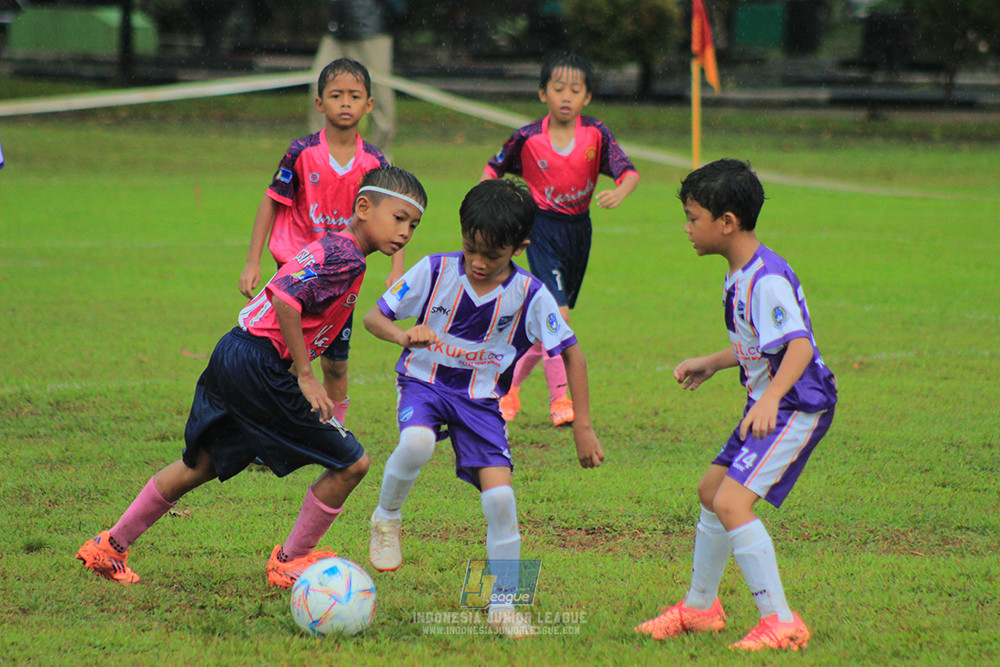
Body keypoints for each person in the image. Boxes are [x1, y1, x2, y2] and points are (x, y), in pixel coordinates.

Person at [76, 167, 427, 589]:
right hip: (262, 364)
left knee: (201, 463)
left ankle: (109, 545)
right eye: (399, 217)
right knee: (353, 464)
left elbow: (305, 312)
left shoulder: (338, 250)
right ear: (364, 207)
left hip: (234, 351)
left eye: (414, 224)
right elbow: (286, 299)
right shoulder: (345, 257)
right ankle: (289, 560)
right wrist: (304, 374)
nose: (405, 232)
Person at [362, 178, 604, 638]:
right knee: (415, 444)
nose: (477, 262)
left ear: (520, 247)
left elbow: (572, 352)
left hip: (481, 401)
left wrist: (583, 427)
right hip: (424, 383)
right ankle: (387, 517)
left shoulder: (530, 294)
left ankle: (504, 606)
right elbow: (376, 318)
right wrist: (402, 336)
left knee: (500, 499)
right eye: (470, 248)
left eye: (492, 255)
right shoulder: (434, 270)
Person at [635, 159, 837, 651]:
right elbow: (758, 344)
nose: (686, 228)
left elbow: (799, 346)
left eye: (692, 217)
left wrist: (769, 397)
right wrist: (714, 361)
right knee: (711, 492)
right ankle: (700, 608)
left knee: (730, 502)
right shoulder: (740, 273)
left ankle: (781, 622)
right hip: (769, 402)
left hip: (795, 404)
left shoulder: (764, 278)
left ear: (726, 222)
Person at [241, 57, 402, 428]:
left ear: (369, 105)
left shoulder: (375, 162)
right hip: (296, 270)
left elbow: (394, 214)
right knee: (279, 356)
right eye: (335, 95)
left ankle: (334, 429)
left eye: (354, 95)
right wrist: (253, 261)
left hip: (341, 277)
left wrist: (397, 267)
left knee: (335, 361)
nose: (345, 103)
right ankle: (269, 432)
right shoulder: (300, 152)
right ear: (319, 104)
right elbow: (271, 200)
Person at [480, 50, 639, 427]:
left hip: (579, 231)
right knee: (559, 316)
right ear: (542, 94)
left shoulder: (596, 134)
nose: (566, 96)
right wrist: (491, 209)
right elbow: (492, 169)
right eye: (558, 88)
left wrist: (620, 190)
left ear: (587, 97)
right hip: (541, 230)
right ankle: (560, 400)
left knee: (546, 325)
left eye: (575, 89)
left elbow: (628, 172)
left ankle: (507, 388)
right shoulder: (528, 138)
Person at [308, 0, 396, 156]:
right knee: (319, 87)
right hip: (337, 30)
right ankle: (319, 153)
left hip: (372, 31)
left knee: (379, 94)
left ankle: (379, 156)